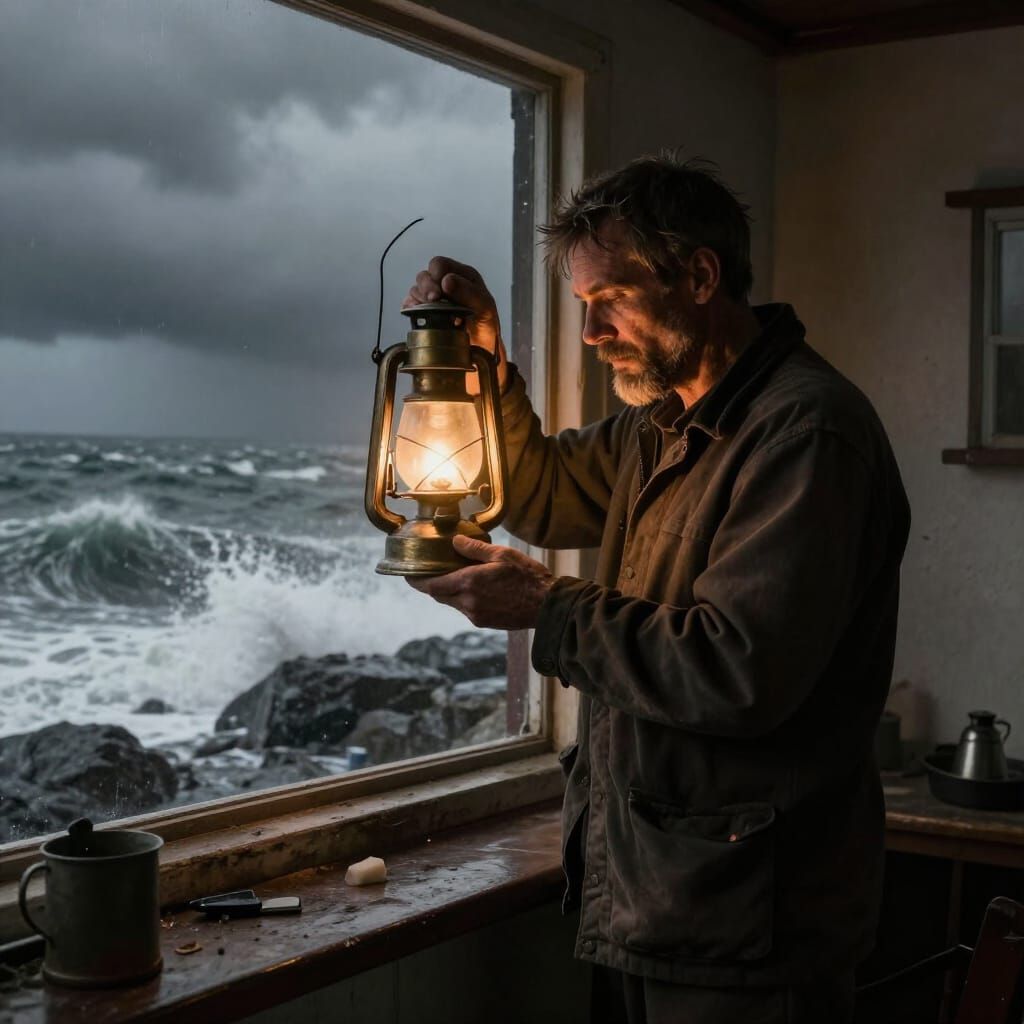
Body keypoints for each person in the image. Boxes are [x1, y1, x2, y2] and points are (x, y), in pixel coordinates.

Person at [404, 154, 910, 1024]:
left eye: (612, 300)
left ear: (701, 275)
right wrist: (485, 362)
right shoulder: (663, 422)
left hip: (752, 921)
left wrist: (545, 608)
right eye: (582, 306)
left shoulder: (806, 432)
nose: (593, 331)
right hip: (656, 892)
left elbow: (737, 670)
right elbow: (539, 490)